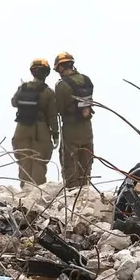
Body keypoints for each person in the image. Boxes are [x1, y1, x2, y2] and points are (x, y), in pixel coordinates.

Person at [11, 58, 60, 187]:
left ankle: (25, 190)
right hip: (41, 130)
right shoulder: (49, 92)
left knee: (24, 159)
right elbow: (52, 115)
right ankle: (37, 191)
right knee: (39, 160)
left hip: (22, 128)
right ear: (46, 73)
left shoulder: (23, 88)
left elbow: (14, 102)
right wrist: (55, 134)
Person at [53, 52, 95, 188]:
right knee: (86, 163)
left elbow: (59, 108)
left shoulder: (62, 85)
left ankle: (73, 194)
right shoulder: (87, 80)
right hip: (87, 129)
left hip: (71, 130)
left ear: (60, 67)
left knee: (70, 163)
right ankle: (85, 191)